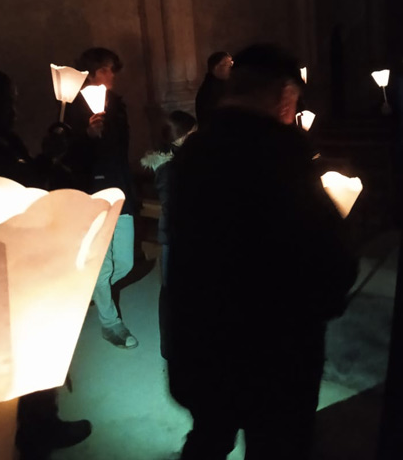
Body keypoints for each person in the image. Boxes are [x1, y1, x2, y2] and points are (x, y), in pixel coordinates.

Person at [166, 44, 358, 460]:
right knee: (276, 445)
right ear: (286, 94)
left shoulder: (196, 149)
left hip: (202, 335)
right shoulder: (282, 152)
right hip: (272, 349)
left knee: (209, 436)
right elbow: (322, 255)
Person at [0, 64, 92, 460]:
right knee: (4, 357)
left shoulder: (3, 139)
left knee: (35, 344)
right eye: (6, 103)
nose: (13, 111)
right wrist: (42, 165)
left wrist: (48, 159)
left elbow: (28, 182)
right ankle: (24, 433)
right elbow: (4, 195)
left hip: (19, 263)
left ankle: (39, 424)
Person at [64, 47, 138, 349]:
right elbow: (68, 156)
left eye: (111, 68)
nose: (111, 74)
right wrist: (87, 137)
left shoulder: (117, 105)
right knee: (102, 266)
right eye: (105, 69)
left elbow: (121, 151)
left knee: (125, 263)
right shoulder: (73, 108)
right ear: (91, 73)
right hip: (92, 193)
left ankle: (93, 290)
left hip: (120, 189)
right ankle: (110, 323)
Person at [140, 110, 196, 358]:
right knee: (172, 291)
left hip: (184, 235)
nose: (197, 136)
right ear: (180, 137)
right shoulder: (170, 168)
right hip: (177, 237)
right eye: (193, 132)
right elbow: (174, 205)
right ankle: (170, 346)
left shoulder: (183, 162)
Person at [195, 51, 233, 127]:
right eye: (227, 65)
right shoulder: (209, 90)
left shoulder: (225, 84)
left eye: (231, 64)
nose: (231, 68)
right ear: (216, 67)